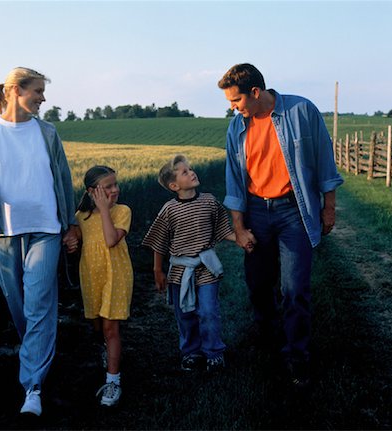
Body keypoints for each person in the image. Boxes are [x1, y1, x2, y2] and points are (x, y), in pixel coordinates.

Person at [0, 67, 79, 417]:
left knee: (40, 303)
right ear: (15, 91)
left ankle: (33, 387)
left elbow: (62, 177)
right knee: (20, 306)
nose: (43, 98)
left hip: (46, 228)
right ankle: (39, 358)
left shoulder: (47, 132)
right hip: (1, 232)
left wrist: (70, 224)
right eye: (38, 91)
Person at [217, 63, 344, 388]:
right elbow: (234, 179)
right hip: (257, 211)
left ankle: (296, 356)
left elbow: (324, 160)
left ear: (255, 92)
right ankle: (269, 338)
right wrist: (239, 226)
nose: (233, 108)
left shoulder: (302, 111)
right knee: (259, 285)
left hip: (294, 211)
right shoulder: (236, 128)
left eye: (236, 101)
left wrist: (328, 207)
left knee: (295, 289)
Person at [142, 154, 237, 373]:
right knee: (184, 314)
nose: (192, 172)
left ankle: (213, 352)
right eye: (185, 172)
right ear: (174, 185)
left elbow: (223, 229)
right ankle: (191, 352)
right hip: (180, 271)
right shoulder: (169, 210)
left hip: (206, 269)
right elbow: (159, 242)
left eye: (191, 169)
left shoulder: (209, 201)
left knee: (208, 311)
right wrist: (157, 270)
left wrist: (240, 238)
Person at [75, 165, 133, 407]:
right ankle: (108, 351)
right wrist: (69, 239)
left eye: (116, 185)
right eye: (108, 187)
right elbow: (74, 239)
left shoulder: (122, 212)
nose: (115, 190)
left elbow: (110, 240)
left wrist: (104, 210)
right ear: (92, 191)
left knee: (111, 329)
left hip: (116, 276)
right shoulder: (81, 217)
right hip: (91, 276)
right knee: (98, 327)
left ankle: (113, 381)